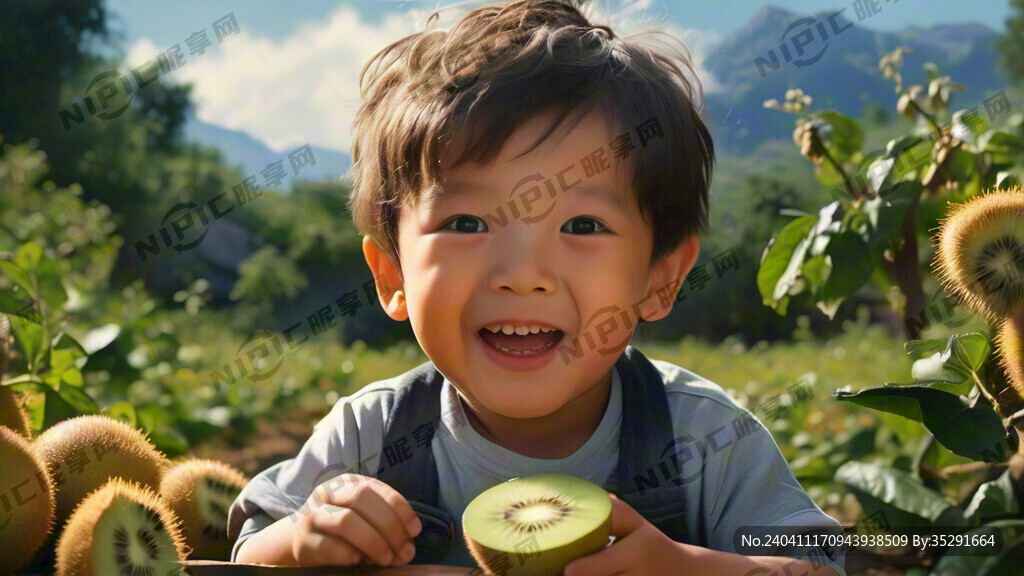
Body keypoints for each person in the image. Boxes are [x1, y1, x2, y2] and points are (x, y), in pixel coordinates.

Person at [227, 1, 845, 574]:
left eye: (583, 225)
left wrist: (691, 565)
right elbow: (250, 544)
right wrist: (304, 538)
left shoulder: (704, 440)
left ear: (661, 279)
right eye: (465, 223)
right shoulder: (371, 435)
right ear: (393, 277)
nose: (522, 276)